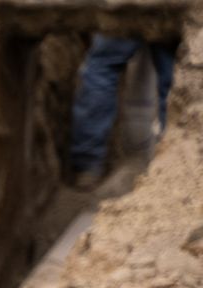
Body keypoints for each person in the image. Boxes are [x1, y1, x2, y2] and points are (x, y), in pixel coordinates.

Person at [69, 33, 178, 190]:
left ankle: (87, 166)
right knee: (174, 75)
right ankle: (174, 165)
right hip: (170, 18)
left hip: (130, 18)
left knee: (103, 68)